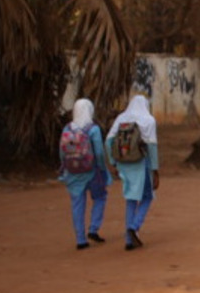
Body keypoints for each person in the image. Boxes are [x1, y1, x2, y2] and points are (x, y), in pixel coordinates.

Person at [107, 94, 159, 251]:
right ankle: (134, 226)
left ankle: (129, 240)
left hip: (123, 164)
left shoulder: (122, 118)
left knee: (130, 198)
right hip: (140, 164)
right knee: (147, 196)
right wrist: (155, 170)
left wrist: (113, 162)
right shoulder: (148, 120)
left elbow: (108, 140)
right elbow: (152, 147)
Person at [58, 98, 108, 250]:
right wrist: (102, 168)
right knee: (100, 197)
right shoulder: (93, 129)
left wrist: (65, 166)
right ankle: (93, 228)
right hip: (91, 171)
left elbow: (62, 151)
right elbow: (99, 152)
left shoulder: (67, 129)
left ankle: (80, 239)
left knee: (77, 204)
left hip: (73, 172)